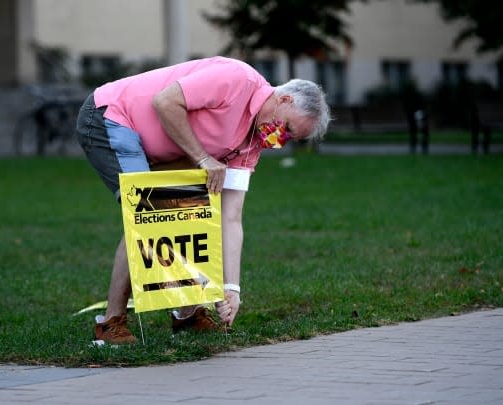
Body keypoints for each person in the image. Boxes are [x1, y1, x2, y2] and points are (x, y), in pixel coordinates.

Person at [76, 56, 330, 345]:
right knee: (149, 212)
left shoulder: (252, 144)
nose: (279, 140)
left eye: (289, 139)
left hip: (160, 149)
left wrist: (232, 288)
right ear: (283, 99)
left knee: (187, 210)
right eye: (286, 128)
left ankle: (187, 314)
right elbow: (165, 102)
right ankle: (111, 323)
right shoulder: (237, 79)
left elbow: (231, 216)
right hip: (111, 116)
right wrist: (203, 158)